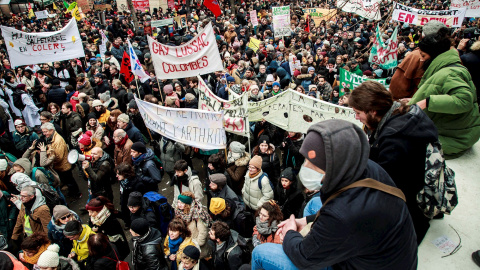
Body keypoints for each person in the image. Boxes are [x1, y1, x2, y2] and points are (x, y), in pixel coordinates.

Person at [251, 120, 417, 269]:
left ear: (331, 164)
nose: (305, 166)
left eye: (312, 162)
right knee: (313, 205)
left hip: (360, 264)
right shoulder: (364, 167)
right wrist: (305, 220)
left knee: (260, 253)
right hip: (386, 252)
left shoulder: (343, 214)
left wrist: (290, 233)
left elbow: (303, 256)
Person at [350, 81, 439, 244]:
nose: (356, 117)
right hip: (419, 181)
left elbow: (385, 184)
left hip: (410, 205)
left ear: (373, 111)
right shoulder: (407, 111)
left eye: (358, 112)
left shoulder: (394, 140)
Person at [409, 27, 480, 158]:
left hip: (455, 137)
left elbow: (464, 100)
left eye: (424, 56)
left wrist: (428, 102)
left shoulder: (450, 72)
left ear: (435, 54)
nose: (422, 60)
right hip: (450, 130)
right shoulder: (443, 68)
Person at [41, 122, 80, 198]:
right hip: (60, 166)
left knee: (70, 181)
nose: (44, 134)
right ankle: (73, 193)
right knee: (68, 181)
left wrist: (50, 160)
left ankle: (76, 194)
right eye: (43, 132)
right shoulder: (51, 138)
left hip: (63, 165)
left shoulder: (57, 141)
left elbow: (59, 156)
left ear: (51, 130)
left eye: (45, 131)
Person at [174, 192, 212, 259]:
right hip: (186, 244)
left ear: (187, 204)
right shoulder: (179, 212)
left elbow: (203, 232)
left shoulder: (197, 214)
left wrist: (194, 244)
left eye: (182, 203)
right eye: (178, 202)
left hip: (197, 248)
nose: (179, 205)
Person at [116, 163, 146, 227]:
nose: (117, 176)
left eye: (119, 174)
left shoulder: (137, 184)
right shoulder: (122, 181)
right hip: (125, 202)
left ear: (125, 174)